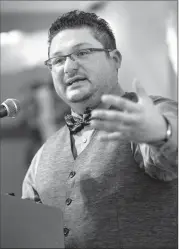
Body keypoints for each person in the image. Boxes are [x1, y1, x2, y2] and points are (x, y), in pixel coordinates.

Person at [22, 10, 178, 248]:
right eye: (58, 60)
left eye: (82, 53)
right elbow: (28, 232)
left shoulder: (154, 112)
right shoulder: (43, 155)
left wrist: (162, 134)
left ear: (114, 59)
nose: (68, 68)